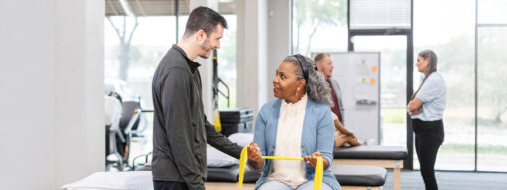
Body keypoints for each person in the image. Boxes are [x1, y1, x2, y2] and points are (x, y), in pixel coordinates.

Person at [151, 6, 242, 190]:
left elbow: (202, 126)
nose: (218, 46)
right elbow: (178, 137)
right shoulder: (176, 71)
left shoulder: (189, 69)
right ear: (201, 35)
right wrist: (196, 185)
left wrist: (241, 152)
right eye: (217, 38)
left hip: (183, 177)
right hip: (174, 178)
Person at [246, 55, 340, 190]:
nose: (275, 80)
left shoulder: (321, 112)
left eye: (282, 76)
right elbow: (260, 166)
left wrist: (319, 160)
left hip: (313, 180)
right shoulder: (266, 111)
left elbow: (326, 159)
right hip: (275, 180)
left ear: (300, 84)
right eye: (276, 74)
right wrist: (255, 158)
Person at [406, 50, 446, 190]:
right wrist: (413, 106)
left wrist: (414, 106)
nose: (416, 64)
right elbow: (412, 106)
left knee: (427, 173)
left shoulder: (434, 80)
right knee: (425, 172)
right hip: (422, 131)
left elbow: (413, 105)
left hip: (430, 132)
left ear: (427, 61)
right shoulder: (425, 78)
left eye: (419, 60)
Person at [314, 53, 363, 148]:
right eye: (329, 63)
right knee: (348, 138)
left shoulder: (334, 84)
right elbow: (325, 112)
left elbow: (340, 108)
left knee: (349, 139)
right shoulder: (313, 85)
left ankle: (360, 144)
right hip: (324, 129)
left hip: (337, 128)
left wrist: (341, 127)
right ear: (319, 66)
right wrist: (344, 131)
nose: (332, 66)